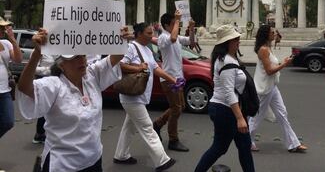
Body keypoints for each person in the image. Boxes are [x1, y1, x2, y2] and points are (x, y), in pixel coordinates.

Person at [17, 27, 130, 171]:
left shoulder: (92, 76)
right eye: (74, 57)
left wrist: (122, 40)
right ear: (61, 64)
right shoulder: (54, 85)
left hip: (93, 160)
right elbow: (25, 87)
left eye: (82, 55)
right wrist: (37, 53)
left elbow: (114, 58)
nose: (81, 60)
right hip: (63, 165)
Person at [113, 23, 177, 171]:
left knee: (128, 127)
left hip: (139, 96)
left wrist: (173, 79)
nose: (151, 36)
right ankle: (162, 161)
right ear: (139, 33)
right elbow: (120, 65)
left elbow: (155, 68)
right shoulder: (131, 47)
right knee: (148, 128)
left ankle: (121, 155)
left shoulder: (147, 49)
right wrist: (138, 68)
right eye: (148, 33)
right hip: (131, 97)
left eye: (151, 33)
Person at [194, 24, 255, 172]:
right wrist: (240, 118)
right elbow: (229, 92)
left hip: (230, 109)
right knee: (220, 148)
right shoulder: (226, 61)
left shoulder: (228, 58)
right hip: (226, 110)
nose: (238, 41)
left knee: (244, 146)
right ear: (227, 43)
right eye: (235, 39)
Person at [248, 25, 307, 153]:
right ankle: (247, 141)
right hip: (264, 88)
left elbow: (272, 66)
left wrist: (282, 63)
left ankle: (293, 143)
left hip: (272, 86)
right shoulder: (263, 50)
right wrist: (284, 65)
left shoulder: (268, 48)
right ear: (266, 35)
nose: (274, 34)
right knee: (256, 117)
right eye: (272, 32)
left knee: (282, 113)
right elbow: (269, 71)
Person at [153, 11, 195, 152]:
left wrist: (192, 29)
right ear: (166, 25)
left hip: (178, 77)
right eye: (173, 23)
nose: (176, 24)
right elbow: (172, 38)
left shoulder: (175, 37)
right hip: (168, 78)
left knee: (180, 106)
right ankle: (173, 139)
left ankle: (158, 124)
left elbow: (191, 42)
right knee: (176, 109)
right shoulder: (163, 38)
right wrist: (177, 20)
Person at [0, 17, 22, 138]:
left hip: (4, 91)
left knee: (8, 122)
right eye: (1, 27)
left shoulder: (6, 43)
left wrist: (13, 40)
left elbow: (18, 60)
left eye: (4, 27)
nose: (3, 30)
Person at [32, 53, 54, 144]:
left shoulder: (60, 49)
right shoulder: (39, 50)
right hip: (44, 82)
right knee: (45, 109)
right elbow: (34, 69)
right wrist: (50, 70)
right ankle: (39, 134)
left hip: (57, 81)